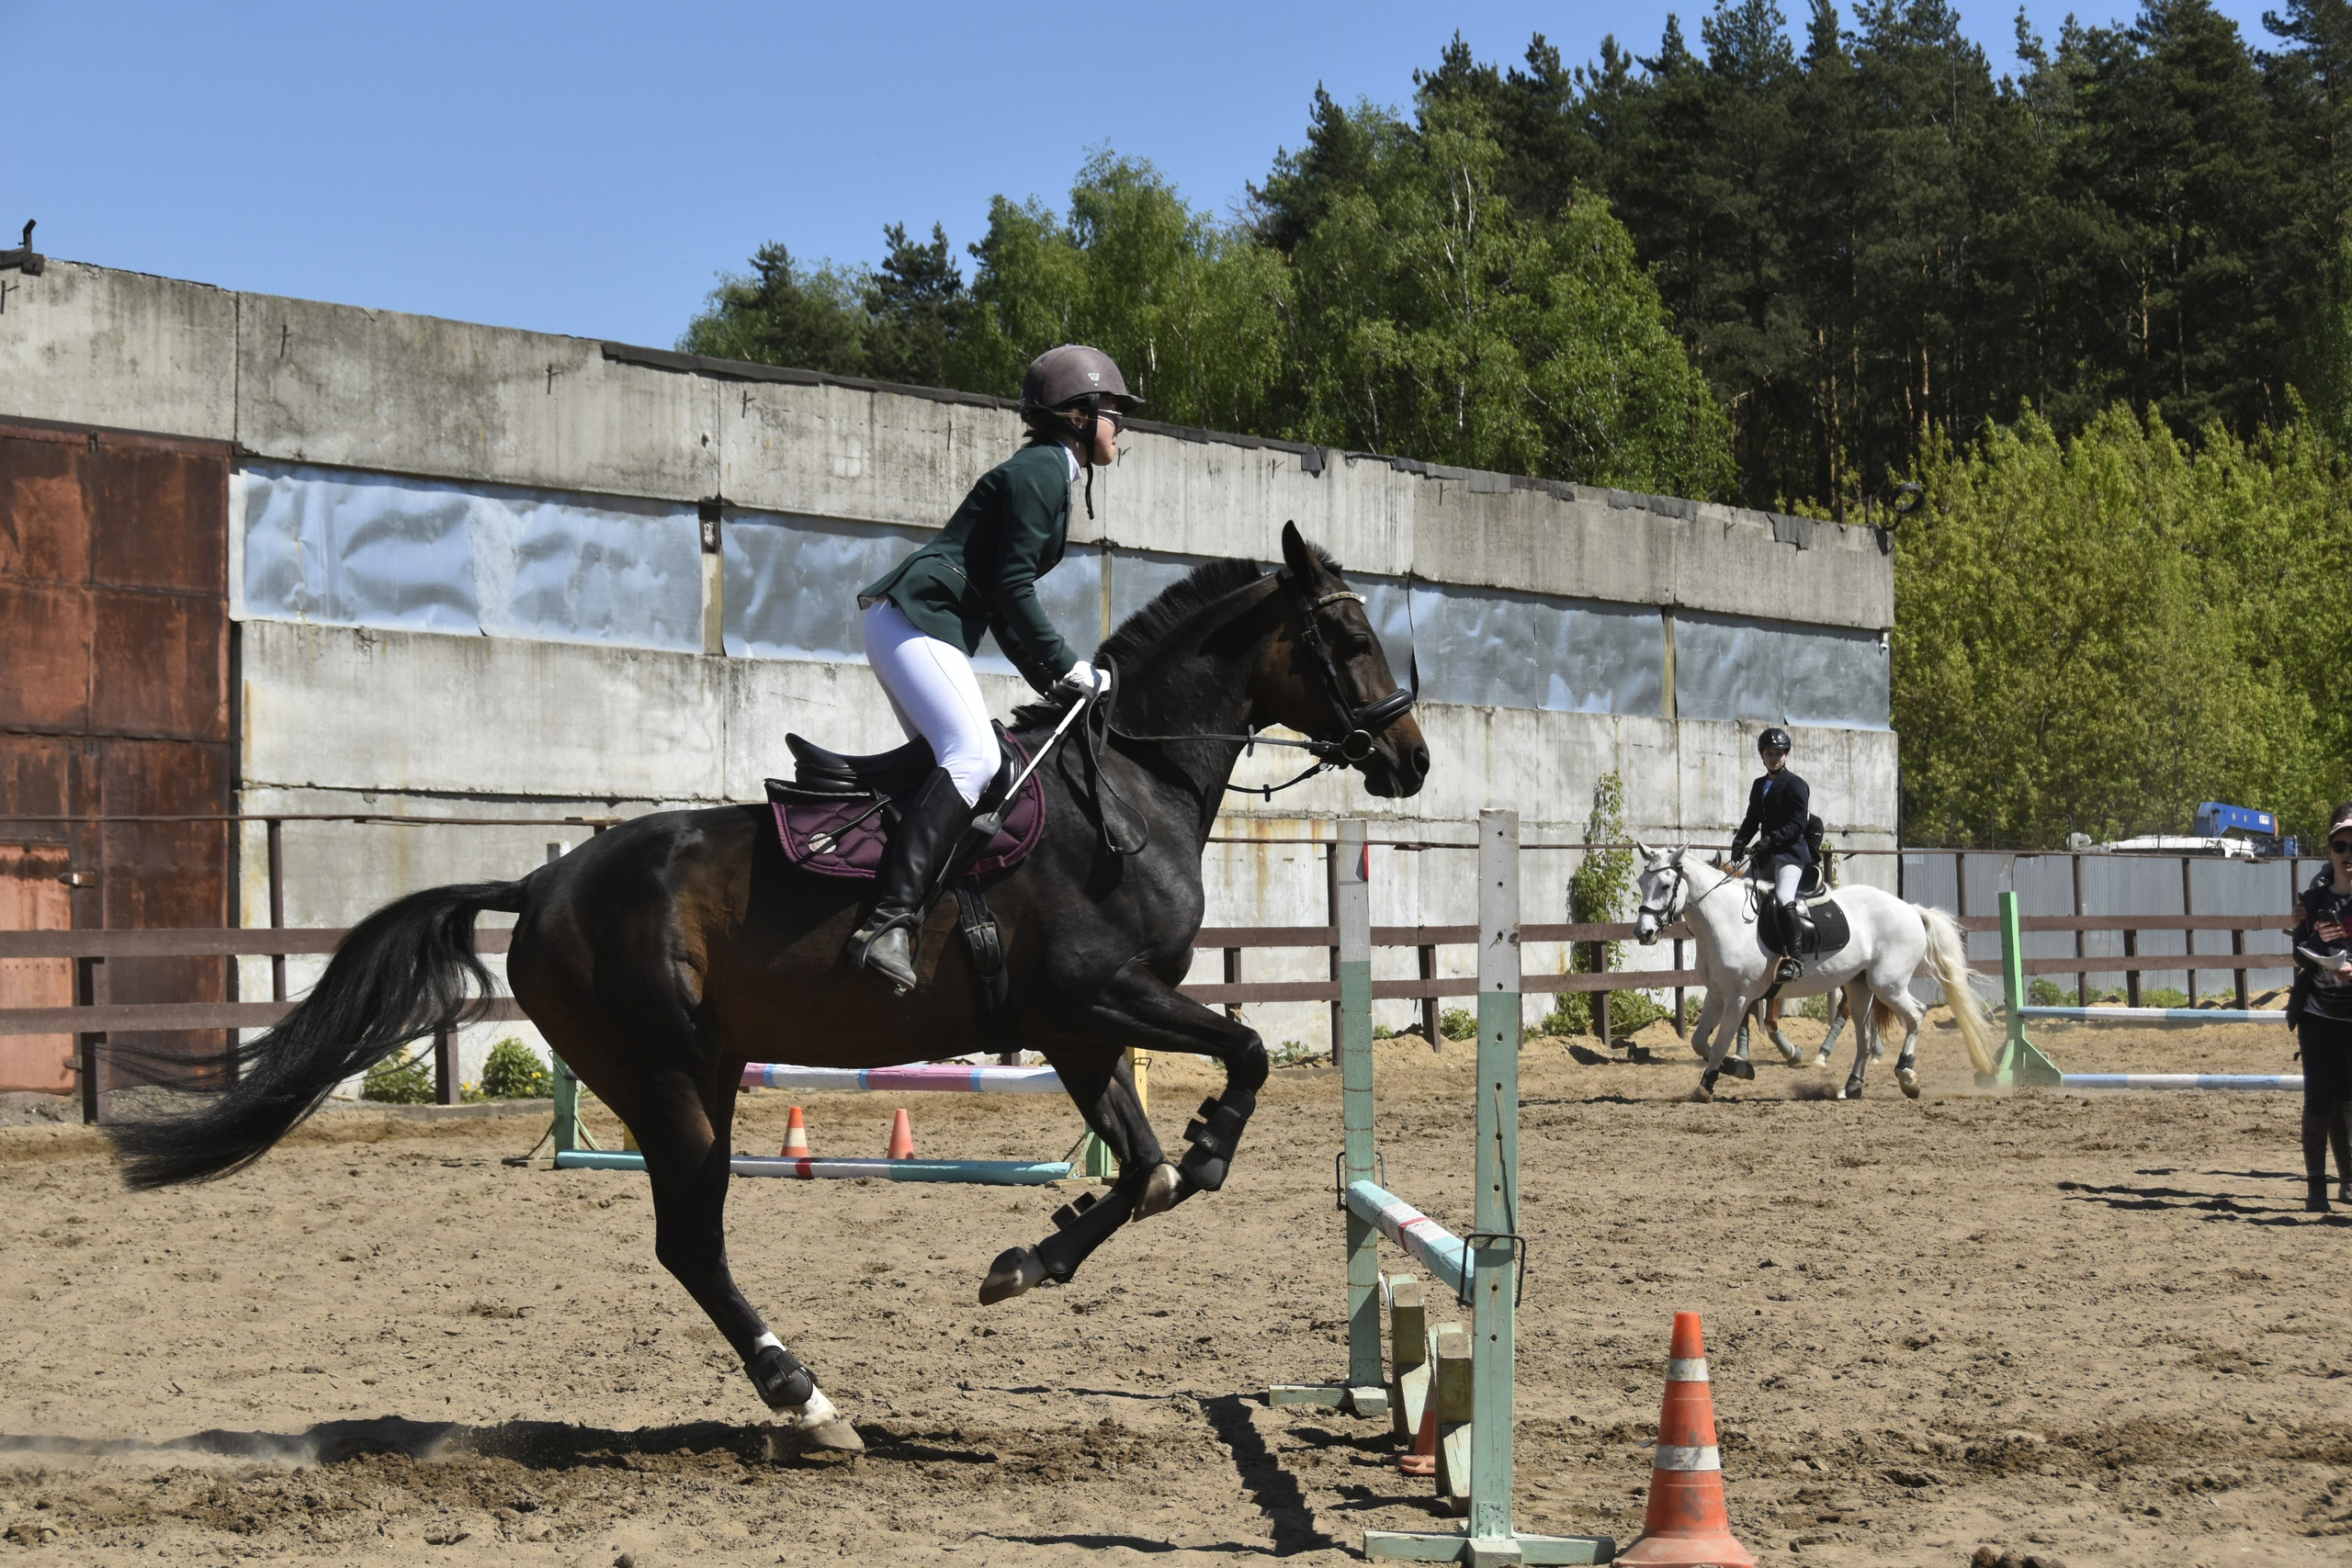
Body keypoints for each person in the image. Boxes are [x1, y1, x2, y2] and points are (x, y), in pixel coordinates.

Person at [843, 344, 1141, 994]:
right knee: (974, 754)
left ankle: (913, 905)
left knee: (951, 767)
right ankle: (889, 922)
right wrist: (1069, 664)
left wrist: (1054, 683)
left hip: (919, 622)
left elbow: (1007, 613)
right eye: (1113, 410)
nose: (1121, 424)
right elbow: (1011, 589)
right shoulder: (1042, 471)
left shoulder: (1050, 474)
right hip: (917, 617)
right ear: (1076, 413)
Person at [2286, 803, 2352, 1213]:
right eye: (2340, 845)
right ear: (2329, 851)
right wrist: (2310, 950)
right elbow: (2297, 953)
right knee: (2317, 1098)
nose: (2348, 853)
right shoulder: (2311, 899)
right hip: (2316, 1012)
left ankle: (2348, 1181)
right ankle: (2316, 1189)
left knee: (2349, 1096)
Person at [1728, 727, 1814, 984]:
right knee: (1740, 892)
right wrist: (1739, 841)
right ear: (1762, 756)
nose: (1774, 758)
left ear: (1786, 756)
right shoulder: (1759, 785)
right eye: (1769, 753)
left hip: (1790, 854)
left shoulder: (1797, 785)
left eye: (1779, 753)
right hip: (1766, 855)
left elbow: (1798, 825)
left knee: (1784, 897)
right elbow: (1752, 819)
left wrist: (1771, 839)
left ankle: (1794, 959)